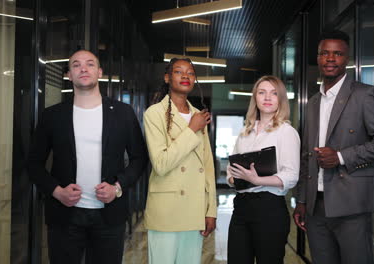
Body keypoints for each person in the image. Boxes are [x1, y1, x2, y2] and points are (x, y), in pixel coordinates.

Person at [27, 50, 148, 264]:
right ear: (69, 75)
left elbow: (139, 158)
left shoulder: (122, 113)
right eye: (76, 65)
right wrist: (56, 191)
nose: (83, 68)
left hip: (109, 216)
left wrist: (117, 188)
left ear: (99, 72)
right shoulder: (53, 115)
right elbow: (33, 163)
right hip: (64, 216)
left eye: (90, 64)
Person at [293, 30, 374, 264]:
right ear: (318, 58)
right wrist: (301, 200)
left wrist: (341, 157)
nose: (330, 58)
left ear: (347, 59)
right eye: (325, 53)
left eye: (337, 53)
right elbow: (306, 156)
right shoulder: (312, 102)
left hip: (352, 204)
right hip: (315, 207)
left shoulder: (365, 95)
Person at [143, 58, 217, 264]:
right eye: (178, 72)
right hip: (166, 210)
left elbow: (207, 166)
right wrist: (192, 129)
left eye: (191, 73)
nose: (185, 76)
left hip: (194, 209)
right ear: (167, 78)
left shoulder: (198, 115)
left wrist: (211, 210)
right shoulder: (154, 113)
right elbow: (161, 163)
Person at [226, 75, 300, 264]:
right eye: (262, 92)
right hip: (241, 207)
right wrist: (235, 178)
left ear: (281, 99)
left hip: (269, 208)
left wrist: (257, 180)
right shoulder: (245, 132)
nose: (267, 98)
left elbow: (291, 176)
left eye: (274, 93)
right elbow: (230, 168)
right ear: (255, 98)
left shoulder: (286, 132)